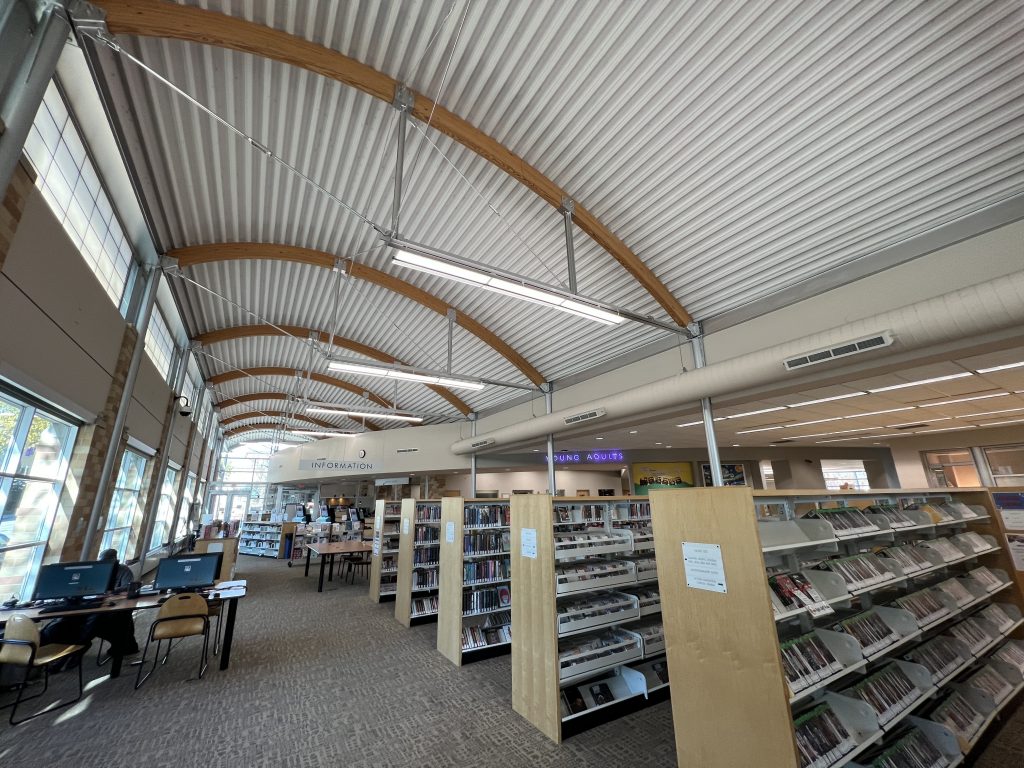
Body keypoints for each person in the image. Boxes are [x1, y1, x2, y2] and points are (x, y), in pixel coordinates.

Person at [40, 549, 140, 664]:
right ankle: (77, 643)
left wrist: (111, 591)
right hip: (97, 603)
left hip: (114, 604)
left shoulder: (124, 570)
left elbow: (128, 586)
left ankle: (80, 644)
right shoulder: (98, 570)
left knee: (95, 619)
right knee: (79, 620)